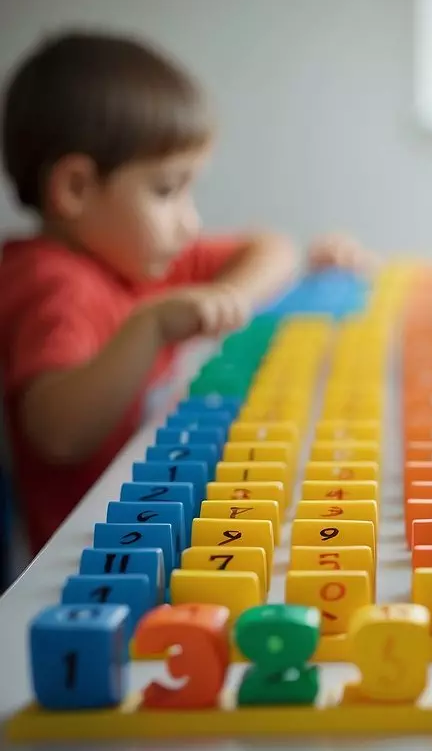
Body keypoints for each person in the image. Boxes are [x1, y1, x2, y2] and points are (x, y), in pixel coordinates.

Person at [0, 30, 373, 553]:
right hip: (94, 551)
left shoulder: (138, 257)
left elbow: (273, 247)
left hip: (160, 513)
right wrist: (148, 328)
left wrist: (230, 298)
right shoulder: (51, 283)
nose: (191, 223)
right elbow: (58, 433)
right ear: (76, 189)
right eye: (167, 190)